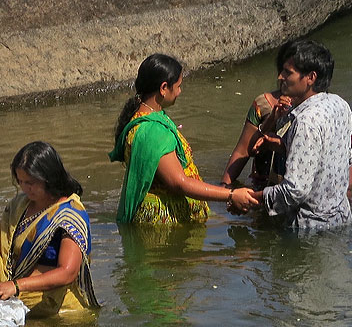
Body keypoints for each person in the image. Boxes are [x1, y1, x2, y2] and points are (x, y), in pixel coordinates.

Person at [109, 54, 257, 224]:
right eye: (178, 86)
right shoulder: (152, 132)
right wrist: (230, 195)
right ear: (164, 88)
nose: (180, 92)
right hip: (163, 227)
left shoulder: (148, 117)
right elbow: (179, 183)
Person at [0, 141, 99, 317]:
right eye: (20, 181)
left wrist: (16, 286)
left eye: (30, 182)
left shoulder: (70, 215)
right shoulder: (18, 206)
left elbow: (67, 272)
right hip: (13, 299)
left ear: (49, 178)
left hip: (57, 313)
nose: (24, 188)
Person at [244, 40, 352, 231]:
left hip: (308, 229)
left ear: (310, 77)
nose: (280, 77)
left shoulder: (305, 121)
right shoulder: (340, 105)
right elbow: (339, 160)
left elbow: (294, 191)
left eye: (288, 72)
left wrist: (252, 198)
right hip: (340, 219)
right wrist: (283, 146)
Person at [220, 47, 295, 189]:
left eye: (289, 72)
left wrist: (348, 191)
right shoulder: (263, 104)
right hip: (263, 187)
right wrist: (224, 188)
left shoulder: (314, 111)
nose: (281, 77)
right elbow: (244, 150)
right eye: (283, 71)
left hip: (295, 190)